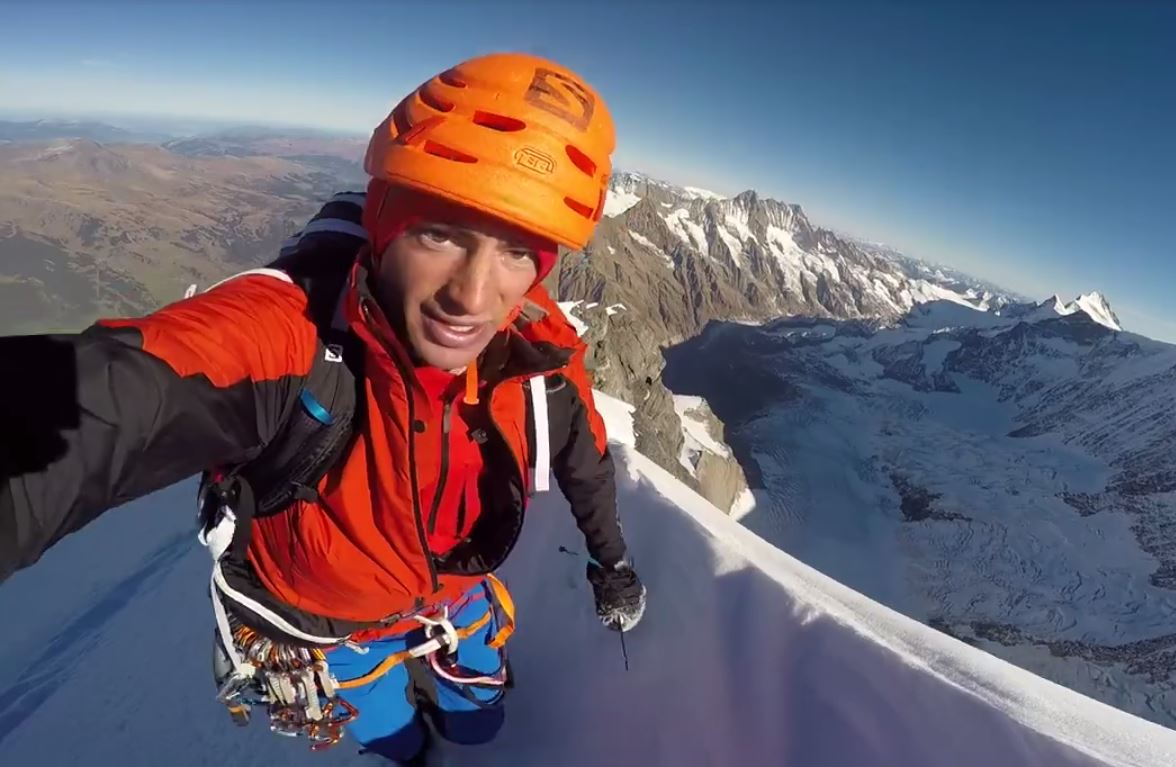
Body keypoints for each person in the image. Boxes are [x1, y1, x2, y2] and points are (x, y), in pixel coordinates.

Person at [0, 52, 646, 764]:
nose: (472, 294)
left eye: (517, 251)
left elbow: (584, 455)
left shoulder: (537, 348)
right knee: (396, 738)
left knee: (480, 729)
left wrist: (611, 562)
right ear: (384, 222)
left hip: (453, 597)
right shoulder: (294, 336)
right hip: (328, 626)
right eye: (438, 232)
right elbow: (113, 396)